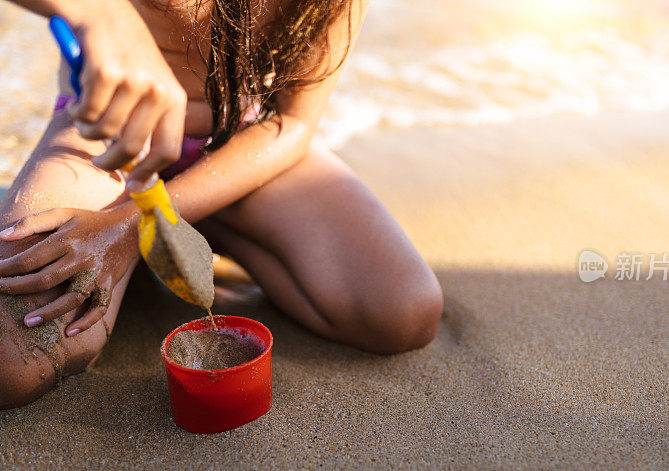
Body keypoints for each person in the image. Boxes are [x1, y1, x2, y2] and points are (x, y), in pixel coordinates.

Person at [0, 0, 443, 408]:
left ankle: (178, 227)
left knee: (403, 312)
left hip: (238, 142)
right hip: (105, 144)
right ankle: (136, 255)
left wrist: (130, 227)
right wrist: (100, 14)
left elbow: (294, 121)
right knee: (14, 360)